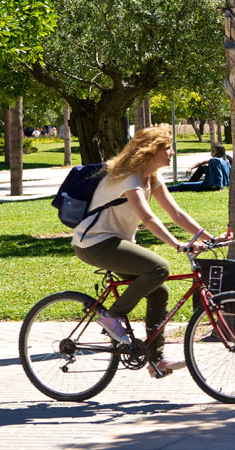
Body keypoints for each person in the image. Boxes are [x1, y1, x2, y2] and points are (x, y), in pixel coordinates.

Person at [71, 125, 226, 378]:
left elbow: (176, 214)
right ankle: (112, 317)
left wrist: (210, 239)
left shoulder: (151, 177)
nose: (172, 152)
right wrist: (177, 245)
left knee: (159, 290)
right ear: (150, 150)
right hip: (94, 243)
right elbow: (147, 216)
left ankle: (156, 360)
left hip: (115, 242)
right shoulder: (129, 177)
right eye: (167, 148)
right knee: (159, 268)